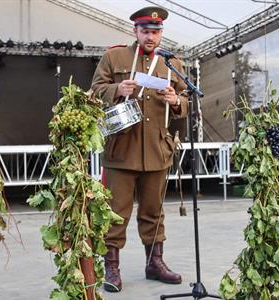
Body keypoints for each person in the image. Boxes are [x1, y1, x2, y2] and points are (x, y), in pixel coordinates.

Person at [91, 6, 189, 293]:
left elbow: (186, 101)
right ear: (135, 31)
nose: (151, 37)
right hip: (122, 148)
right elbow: (94, 91)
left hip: (157, 148)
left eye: (156, 32)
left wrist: (174, 100)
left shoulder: (172, 64)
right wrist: (117, 90)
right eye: (145, 31)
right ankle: (111, 267)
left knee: (153, 211)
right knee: (114, 211)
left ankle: (154, 262)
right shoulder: (114, 57)